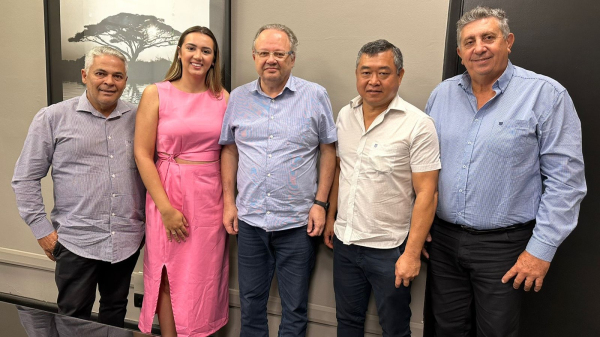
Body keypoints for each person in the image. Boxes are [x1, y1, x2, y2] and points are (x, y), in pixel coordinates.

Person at [424, 6, 587, 336]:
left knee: (496, 332)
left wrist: (540, 251)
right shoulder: (442, 95)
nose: (479, 47)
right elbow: (425, 166)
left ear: (508, 41)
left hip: (505, 248)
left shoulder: (545, 94)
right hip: (441, 242)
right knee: (445, 328)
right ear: (459, 52)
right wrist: (420, 223)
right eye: (470, 41)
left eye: (488, 37)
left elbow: (566, 182)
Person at [12, 46, 145, 327]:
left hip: (126, 240)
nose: (109, 81)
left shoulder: (139, 119)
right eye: (101, 73)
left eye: (118, 75)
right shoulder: (52, 118)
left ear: (125, 81)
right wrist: (42, 231)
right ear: (85, 75)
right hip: (75, 241)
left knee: (115, 314)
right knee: (73, 318)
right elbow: (25, 178)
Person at [219, 23, 337, 336]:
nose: (272, 59)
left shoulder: (315, 96)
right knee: (251, 305)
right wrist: (229, 203)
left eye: (279, 53)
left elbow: (328, 151)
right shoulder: (239, 99)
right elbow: (229, 151)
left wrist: (321, 203)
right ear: (254, 56)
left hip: (298, 224)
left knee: (295, 308)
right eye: (265, 53)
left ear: (292, 58)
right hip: (250, 221)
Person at [323, 39, 440, 337]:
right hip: (346, 244)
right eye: (366, 72)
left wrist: (411, 254)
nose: (373, 81)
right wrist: (330, 217)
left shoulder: (418, 124)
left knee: (395, 329)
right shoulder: (344, 115)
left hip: (390, 250)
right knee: (347, 324)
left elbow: (428, 192)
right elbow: (341, 170)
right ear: (356, 74)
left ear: (399, 76)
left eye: (383, 73)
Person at [135, 26, 229, 337]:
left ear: (214, 59)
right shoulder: (156, 92)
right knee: (167, 271)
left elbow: (229, 151)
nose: (198, 55)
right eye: (192, 48)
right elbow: (142, 154)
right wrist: (166, 208)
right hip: (167, 193)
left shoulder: (223, 98)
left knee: (203, 273)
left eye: (206, 50)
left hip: (208, 196)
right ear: (180, 51)